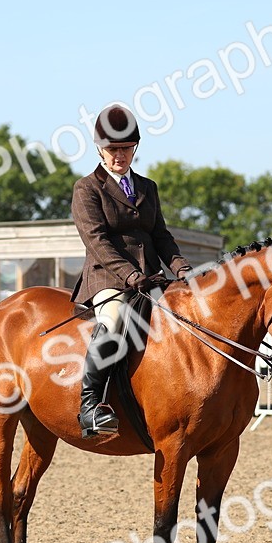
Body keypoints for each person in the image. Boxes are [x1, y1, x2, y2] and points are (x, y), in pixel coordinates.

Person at [70, 104, 193, 438]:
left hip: (150, 277)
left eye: (125, 148)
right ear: (99, 149)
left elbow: (160, 236)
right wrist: (129, 275)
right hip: (109, 277)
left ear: (134, 148)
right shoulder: (87, 188)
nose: (119, 156)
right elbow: (96, 241)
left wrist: (182, 268)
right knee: (113, 321)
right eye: (112, 150)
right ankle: (90, 405)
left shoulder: (147, 187)